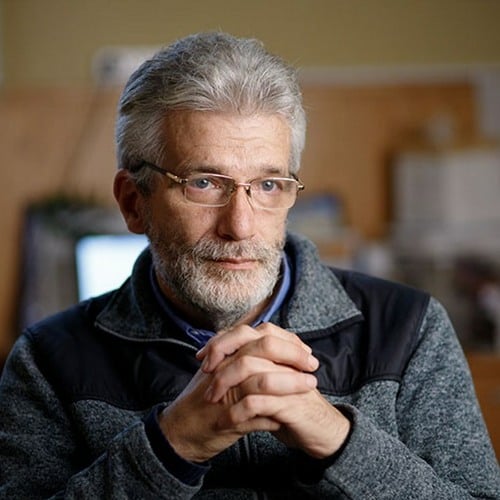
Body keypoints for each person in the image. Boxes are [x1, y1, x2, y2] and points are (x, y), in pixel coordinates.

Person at [0, 32, 499, 499]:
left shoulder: (409, 329)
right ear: (134, 202)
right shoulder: (47, 361)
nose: (239, 226)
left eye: (268, 185)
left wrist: (338, 438)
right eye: (203, 183)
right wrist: (173, 445)